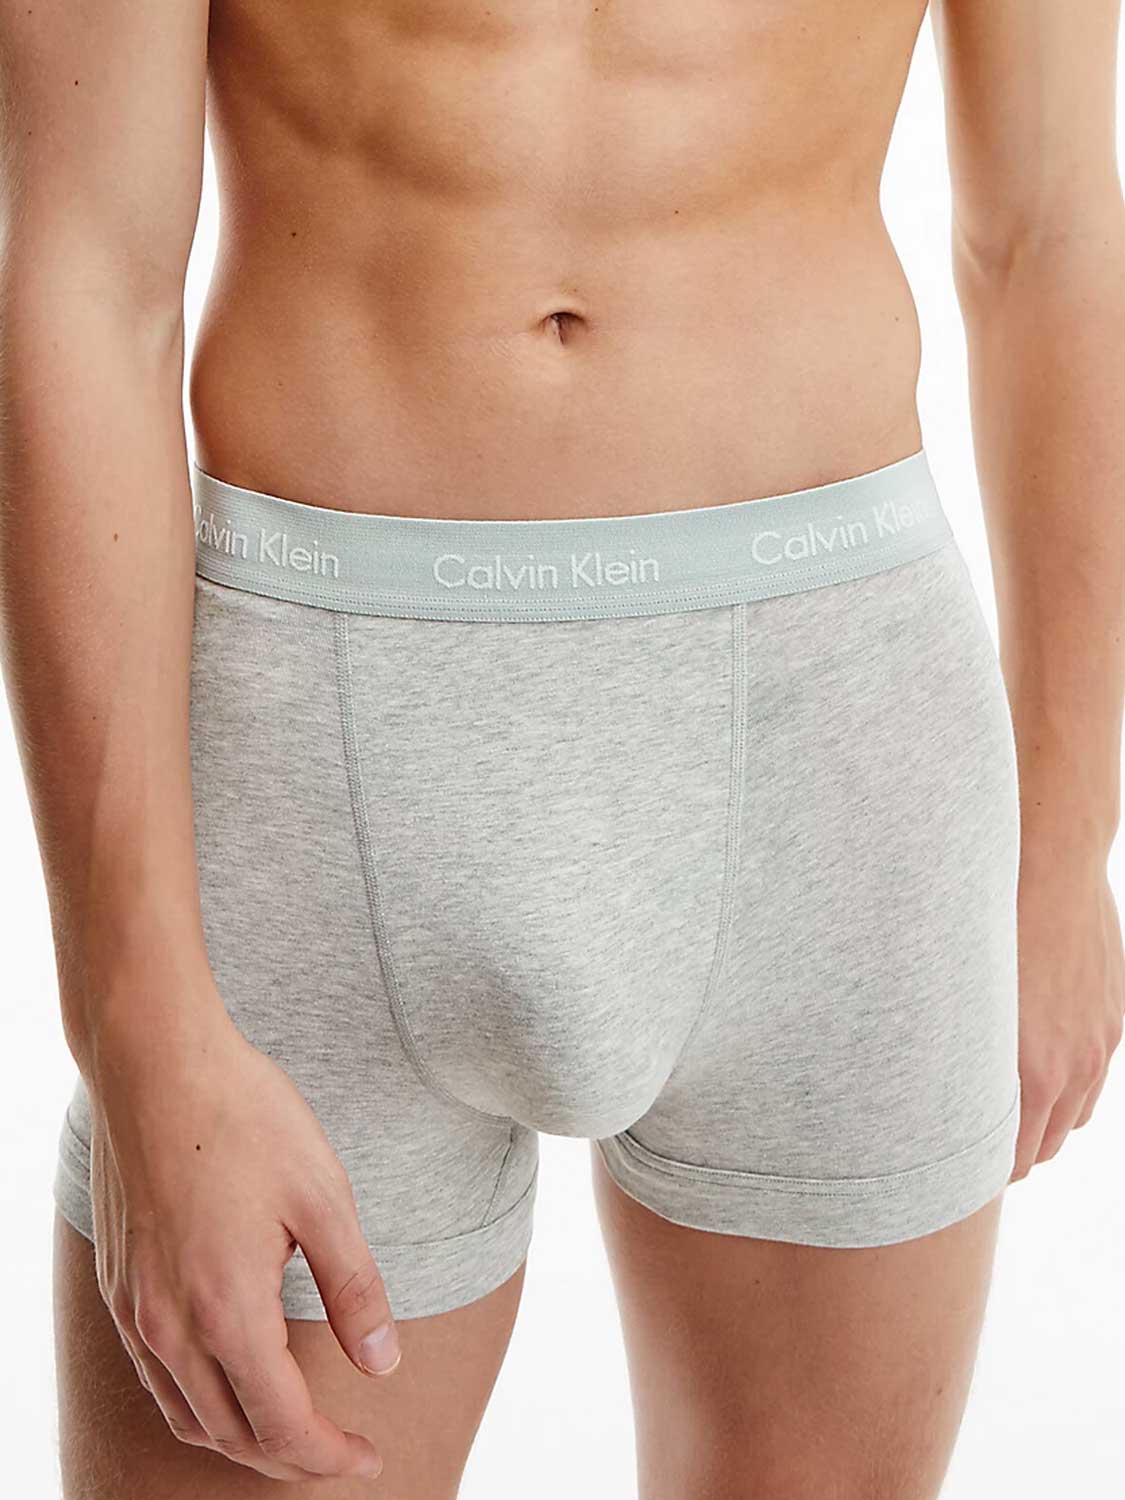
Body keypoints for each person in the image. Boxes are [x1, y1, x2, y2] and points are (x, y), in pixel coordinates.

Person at [1, 1, 1123, 1495]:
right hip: (315, 754)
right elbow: (85, 267)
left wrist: (1069, 843)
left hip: (838, 749)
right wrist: (132, 1020)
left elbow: (1048, 227)